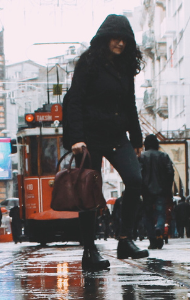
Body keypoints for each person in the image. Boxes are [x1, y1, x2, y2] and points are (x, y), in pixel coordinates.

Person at [63, 14, 149, 270]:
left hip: (116, 136)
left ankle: (125, 239)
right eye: (116, 38)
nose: (120, 44)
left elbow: (129, 104)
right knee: (89, 193)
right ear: (104, 38)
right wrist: (76, 139)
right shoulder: (88, 63)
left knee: (135, 180)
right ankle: (89, 251)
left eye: (125, 40)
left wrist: (136, 138)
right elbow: (74, 100)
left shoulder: (125, 68)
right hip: (89, 139)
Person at [138, 134, 176, 249]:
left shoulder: (142, 157)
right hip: (161, 189)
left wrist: (141, 188)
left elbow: (138, 173)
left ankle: (152, 239)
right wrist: (167, 187)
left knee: (148, 215)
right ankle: (159, 227)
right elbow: (170, 172)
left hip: (146, 191)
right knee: (161, 213)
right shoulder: (164, 156)